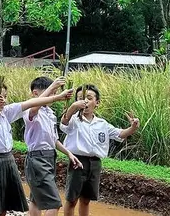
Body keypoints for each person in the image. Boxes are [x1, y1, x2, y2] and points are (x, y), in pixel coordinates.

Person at [0, 78, 73, 216]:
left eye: (5, 97)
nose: (3, 101)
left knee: (3, 206)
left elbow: (31, 103)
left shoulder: (5, 112)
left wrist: (57, 97)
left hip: (7, 161)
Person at [60, 85, 140, 216]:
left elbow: (119, 134)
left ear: (97, 103)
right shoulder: (74, 120)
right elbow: (64, 122)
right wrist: (73, 107)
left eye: (89, 98)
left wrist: (133, 127)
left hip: (95, 164)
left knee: (86, 200)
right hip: (77, 162)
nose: (84, 101)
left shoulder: (102, 123)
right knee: (72, 199)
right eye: (80, 98)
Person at [23, 77, 83, 216]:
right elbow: (34, 108)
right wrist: (54, 86)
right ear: (35, 93)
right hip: (37, 159)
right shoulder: (31, 111)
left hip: (49, 158)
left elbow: (53, 140)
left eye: (54, 92)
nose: (53, 96)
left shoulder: (50, 114)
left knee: (36, 199)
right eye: (50, 92)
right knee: (54, 203)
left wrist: (69, 153)